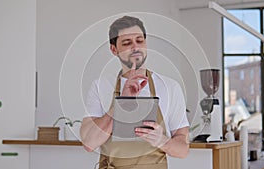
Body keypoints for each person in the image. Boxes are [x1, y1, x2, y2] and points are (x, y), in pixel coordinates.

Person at [80, 15, 189, 169]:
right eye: (126, 43)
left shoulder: (170, 87)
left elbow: (183, 150)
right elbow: (89, 143)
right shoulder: (100, 86)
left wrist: (161, 140)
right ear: (114, 49)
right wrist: (121, 102)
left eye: (140, 40)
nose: (135, 47)